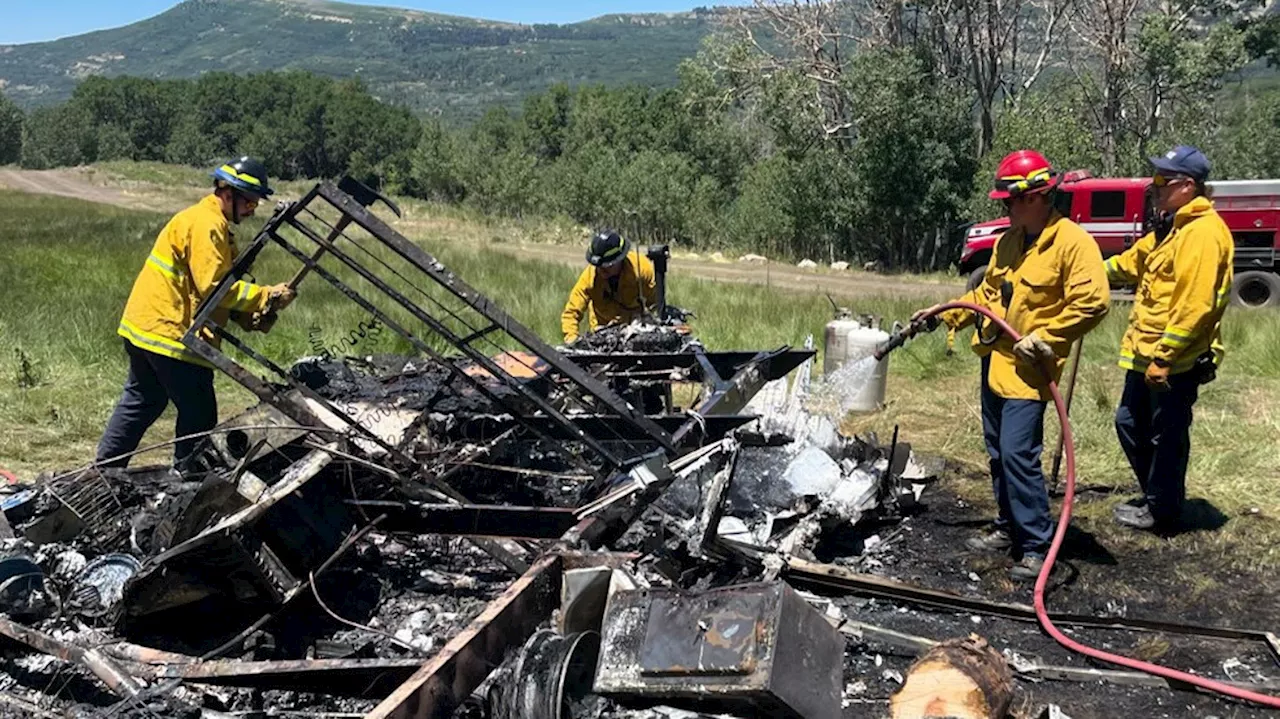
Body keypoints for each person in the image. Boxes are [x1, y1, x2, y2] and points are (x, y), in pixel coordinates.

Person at [912, 149, 1110, 581]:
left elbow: (1093, 303)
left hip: (1029, 370)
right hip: (995, 364)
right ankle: (1008, 527)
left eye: (1010, 200)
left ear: (1037, 196)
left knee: (1019, 455)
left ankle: (1037, 546)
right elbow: (988, 299)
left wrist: (1046, 337)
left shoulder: (1074, 244)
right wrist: (945, 315)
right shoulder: (1009, 241)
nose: (1005, 207)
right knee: (999, 454)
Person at [97, 156, 296, 471]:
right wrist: (264, 296)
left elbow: (213, 291)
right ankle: (187, 477)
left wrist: (248, 317)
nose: (250, 210)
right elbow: (214, 288)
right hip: (172, 333)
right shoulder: (207, 224)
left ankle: (104, 471)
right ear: (227, 194)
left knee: (143, 400)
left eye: (255, 205)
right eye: (249, 202)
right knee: (199, 412)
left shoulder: (207, 222)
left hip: (145, 326)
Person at [1105, 145, 1232, 533]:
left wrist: (1165, 356)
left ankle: (1163, 511)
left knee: (1167, 435)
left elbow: (1195, 306)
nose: (1155, 188)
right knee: (1129, 424)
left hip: (1173, 362)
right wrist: (1080, 272)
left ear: (1188, 186)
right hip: (1145, 356)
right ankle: (1159, 497)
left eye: (1163, 181)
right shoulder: (1170, 230)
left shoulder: (1203, 235)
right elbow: (1127, 265)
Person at [560, 229, 657, 345]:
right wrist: (572, 339)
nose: (601, 271)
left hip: (634, 331)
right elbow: (571, 313)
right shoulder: (589, 278)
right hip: (603, 332)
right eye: (598, 266)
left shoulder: (642, 269)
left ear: (619, 260)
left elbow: (655, 303)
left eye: (606, 266)